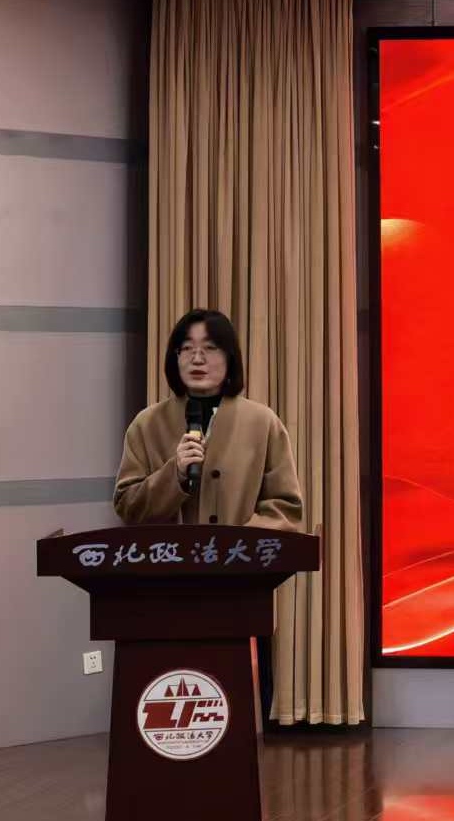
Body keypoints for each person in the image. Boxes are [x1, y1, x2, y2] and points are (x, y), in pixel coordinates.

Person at [113, 308, 304, 718]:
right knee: (170, 698)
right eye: (186, 349)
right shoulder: (147, 425)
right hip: (164, 592)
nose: (197, 359)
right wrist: (174, 474)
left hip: (239, 592)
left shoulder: (262, 423)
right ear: (174, 358)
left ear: (230, 358)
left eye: (210, 348)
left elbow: (285, 508)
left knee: (236, 709)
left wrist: (236, 550)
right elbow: (128, 504)